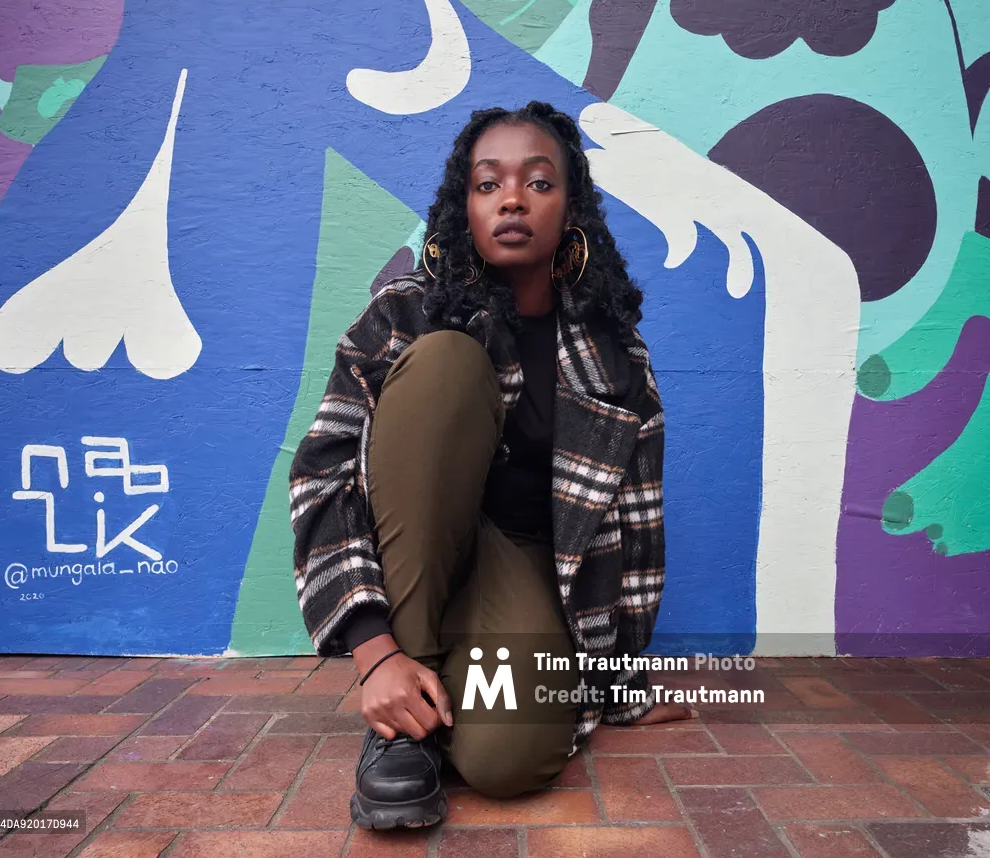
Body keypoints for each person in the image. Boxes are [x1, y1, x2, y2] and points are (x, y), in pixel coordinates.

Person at [288, 101, 690, 831]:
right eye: (488, 184)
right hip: (413, 554)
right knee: (447, 366)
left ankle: (438, 697)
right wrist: (374, 654)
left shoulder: (615, 355)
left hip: (523, 572)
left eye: (539, 182)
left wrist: (614, 678)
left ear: (572, 210)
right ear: (463, 207)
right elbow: (324, 474)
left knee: (512, 762)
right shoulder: (403, 317)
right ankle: (400, 732)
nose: (512, 198)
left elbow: (637, 531)